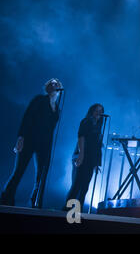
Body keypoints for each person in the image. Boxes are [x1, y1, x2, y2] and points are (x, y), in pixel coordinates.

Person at [0, 78, 63, 207]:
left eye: (57, 84)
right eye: (52, 84)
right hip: (30, 139)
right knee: (19, 171)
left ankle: (36, 201)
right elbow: (27, 117)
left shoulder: (56, 106)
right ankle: (6, 198)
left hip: (45, 144)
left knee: (42, 174)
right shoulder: (39, 99)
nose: (54, 86)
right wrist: (21, 138)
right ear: (48, 87)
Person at [64, 104, 105, 211]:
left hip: (91, 159)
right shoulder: (86, 122)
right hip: (82, 156)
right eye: (96, 111)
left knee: (85, 187)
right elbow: (81, 137)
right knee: (77, 185)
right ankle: (66, 211)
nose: (99, 113)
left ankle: (77, 211)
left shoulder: (99, 126)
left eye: (101, 111)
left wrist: (96, 163)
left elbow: (97, 146)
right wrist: (81, 155)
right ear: (92, 111)